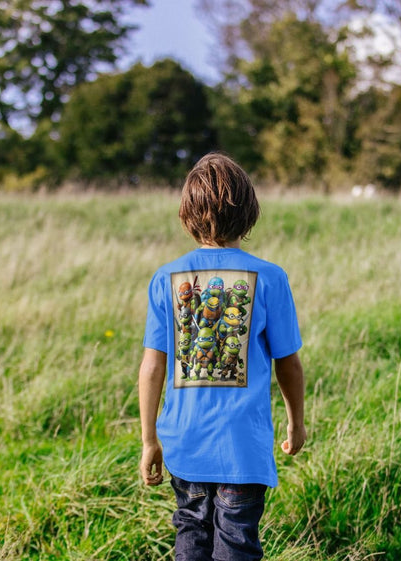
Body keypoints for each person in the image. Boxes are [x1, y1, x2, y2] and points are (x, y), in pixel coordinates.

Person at [139, 152, 306, 561]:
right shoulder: (270, 277)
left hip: (185, 444)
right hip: (242, 448)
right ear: (249, 212)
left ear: (187, 214)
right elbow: (289, 363)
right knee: (236, 545)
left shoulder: (166, 277)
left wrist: (149, 441)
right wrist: (296, 422)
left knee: (190, 536)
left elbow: (152, 368)